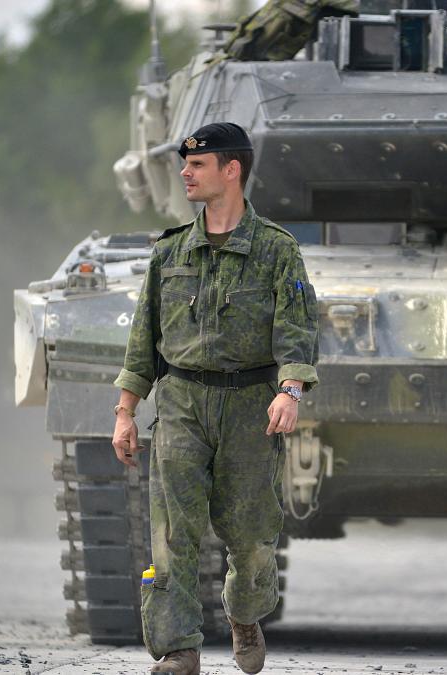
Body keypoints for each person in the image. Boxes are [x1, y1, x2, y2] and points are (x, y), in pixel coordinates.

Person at [111, 122, 319, 675]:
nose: (185, 172)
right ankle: (179, 649)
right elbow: (142, 341)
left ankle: (244, 614)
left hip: (251, 405)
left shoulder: (276, 251)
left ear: (233, 170)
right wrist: (126, 412)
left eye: (197, 165)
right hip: (182, 401)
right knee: (172, 532)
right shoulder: (170, 251)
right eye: (184, 164)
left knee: (250, 538)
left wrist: (290, 390)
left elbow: (297, 330)